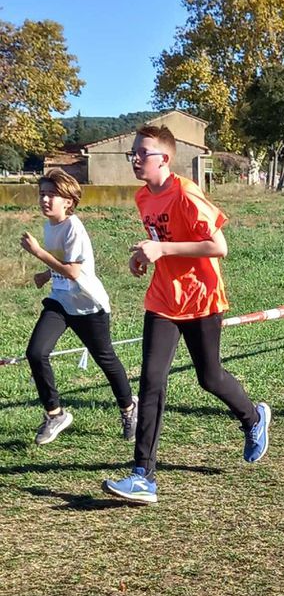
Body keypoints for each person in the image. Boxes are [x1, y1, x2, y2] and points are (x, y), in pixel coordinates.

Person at [103, 125, 270, 504]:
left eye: (142, 153)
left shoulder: (187, 193)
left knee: (209, 378)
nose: (135, 159)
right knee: (151, 381)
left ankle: (253, 418)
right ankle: (143, 475)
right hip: (163, 301)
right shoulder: (144, 197)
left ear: (165, 158)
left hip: (201, 299)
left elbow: (218, 246)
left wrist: (164, 251)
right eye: (133, 152)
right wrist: (144, 254)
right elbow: (161, 241)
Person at [20, 169, 138, 446]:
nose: (45, 200)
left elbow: (74, 272)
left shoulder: (74, 228)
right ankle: (55, 414)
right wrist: (46, 275)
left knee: (105, 359)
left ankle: (129, 408)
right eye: (42, 194)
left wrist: (39, 254)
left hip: (88, 304)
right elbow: (61, 264)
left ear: (69, 201)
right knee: (36, 353)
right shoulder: (51, 225)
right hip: (60, 301)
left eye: (52, 195)